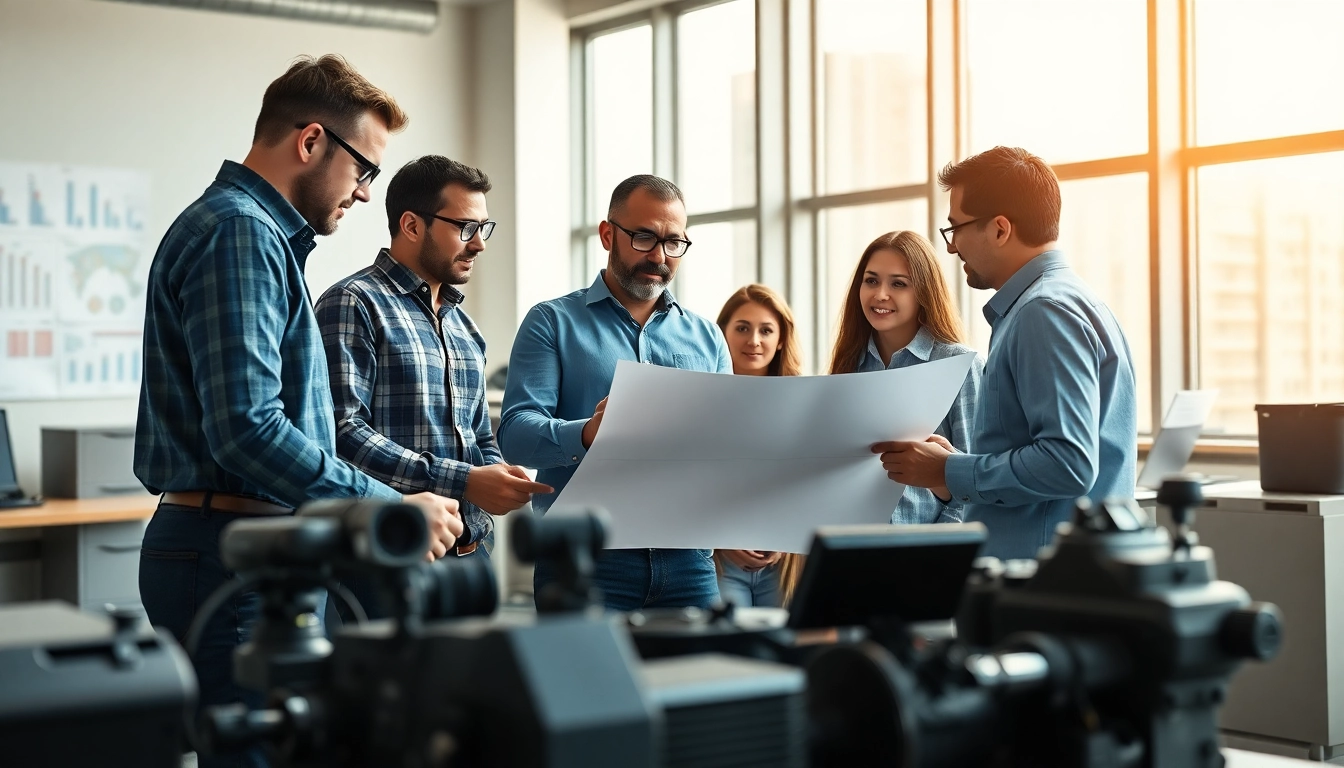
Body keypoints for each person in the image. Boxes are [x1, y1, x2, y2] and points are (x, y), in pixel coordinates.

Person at [134, 56, 460, 768]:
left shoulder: (256, 236)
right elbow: (248, 428)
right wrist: (387, 507)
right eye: (365, 171)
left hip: (254, 554)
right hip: (231, 555)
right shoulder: (240, 234)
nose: (368, 194)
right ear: (312, 142)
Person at [874, 146, 1137, 560]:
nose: (952, 248)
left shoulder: (1042, 313)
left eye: (955, 228)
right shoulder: (1072, 302)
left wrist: (947, 470)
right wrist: (954, 468)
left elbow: (1068, 463)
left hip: (1044, 581)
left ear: (999, 229)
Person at [314, 156, 550, 616]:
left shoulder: (465, 327)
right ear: (411, 225)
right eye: (466, 227)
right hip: (389, 559)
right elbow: (343, 433)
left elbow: (480, 435)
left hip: (473, 556)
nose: (479, 244)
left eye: (485, 228)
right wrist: (466, 480)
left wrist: (499, 475)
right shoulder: (353, 303)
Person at [499, 174, 731, 611]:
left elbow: (726, 447)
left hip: (690, 562)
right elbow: (515, 434)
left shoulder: (708, 338)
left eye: (673, 242)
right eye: (644, 238)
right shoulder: (551, 322)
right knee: (589, 682)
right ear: (608, 235)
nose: (660, 256)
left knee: (703, 678)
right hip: (586, 565)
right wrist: (588, 433)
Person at [831, 231, 983, 525]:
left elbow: (975, 479)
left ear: (923, 292)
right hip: (851, 550)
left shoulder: (959, 365)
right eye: (871, 280)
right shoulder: (848, 367)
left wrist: (935, 552)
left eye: (898, 284)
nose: (880, 295)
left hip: (928, 556)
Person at [713, 284, 806, 608]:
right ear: (722, 332)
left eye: (766, 330)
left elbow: (811, 484)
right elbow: (689, 483)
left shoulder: (804, 406)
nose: (754, 340)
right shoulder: (701, 404)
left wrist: (787, 537)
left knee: (783, 653)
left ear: (780, 339)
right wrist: (719, 540)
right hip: (720, 565)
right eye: (742, 328)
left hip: (786, 565)